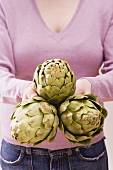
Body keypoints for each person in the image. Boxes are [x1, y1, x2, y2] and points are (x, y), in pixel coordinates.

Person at [0, 0, 113, 169]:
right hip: (20, 154)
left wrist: (88, 86)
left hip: (87, 154)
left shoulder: (105, 5)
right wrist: (26, 91)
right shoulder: (6, 4)